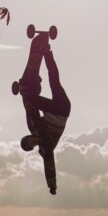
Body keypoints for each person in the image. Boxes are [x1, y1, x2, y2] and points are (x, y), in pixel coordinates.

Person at [14, 32, 71, 195]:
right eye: (31, 145)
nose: (33, 142)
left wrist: (26, 93)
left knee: (53, 79)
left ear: (28, 137)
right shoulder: (45, 147)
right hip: (63, 110)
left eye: (29, 141)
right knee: (52, 84)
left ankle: (47, 52)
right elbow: (49, 164)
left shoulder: (33, 126)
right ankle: (32, 88)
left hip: (52, 109)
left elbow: (29, 109)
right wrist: (52, 185)